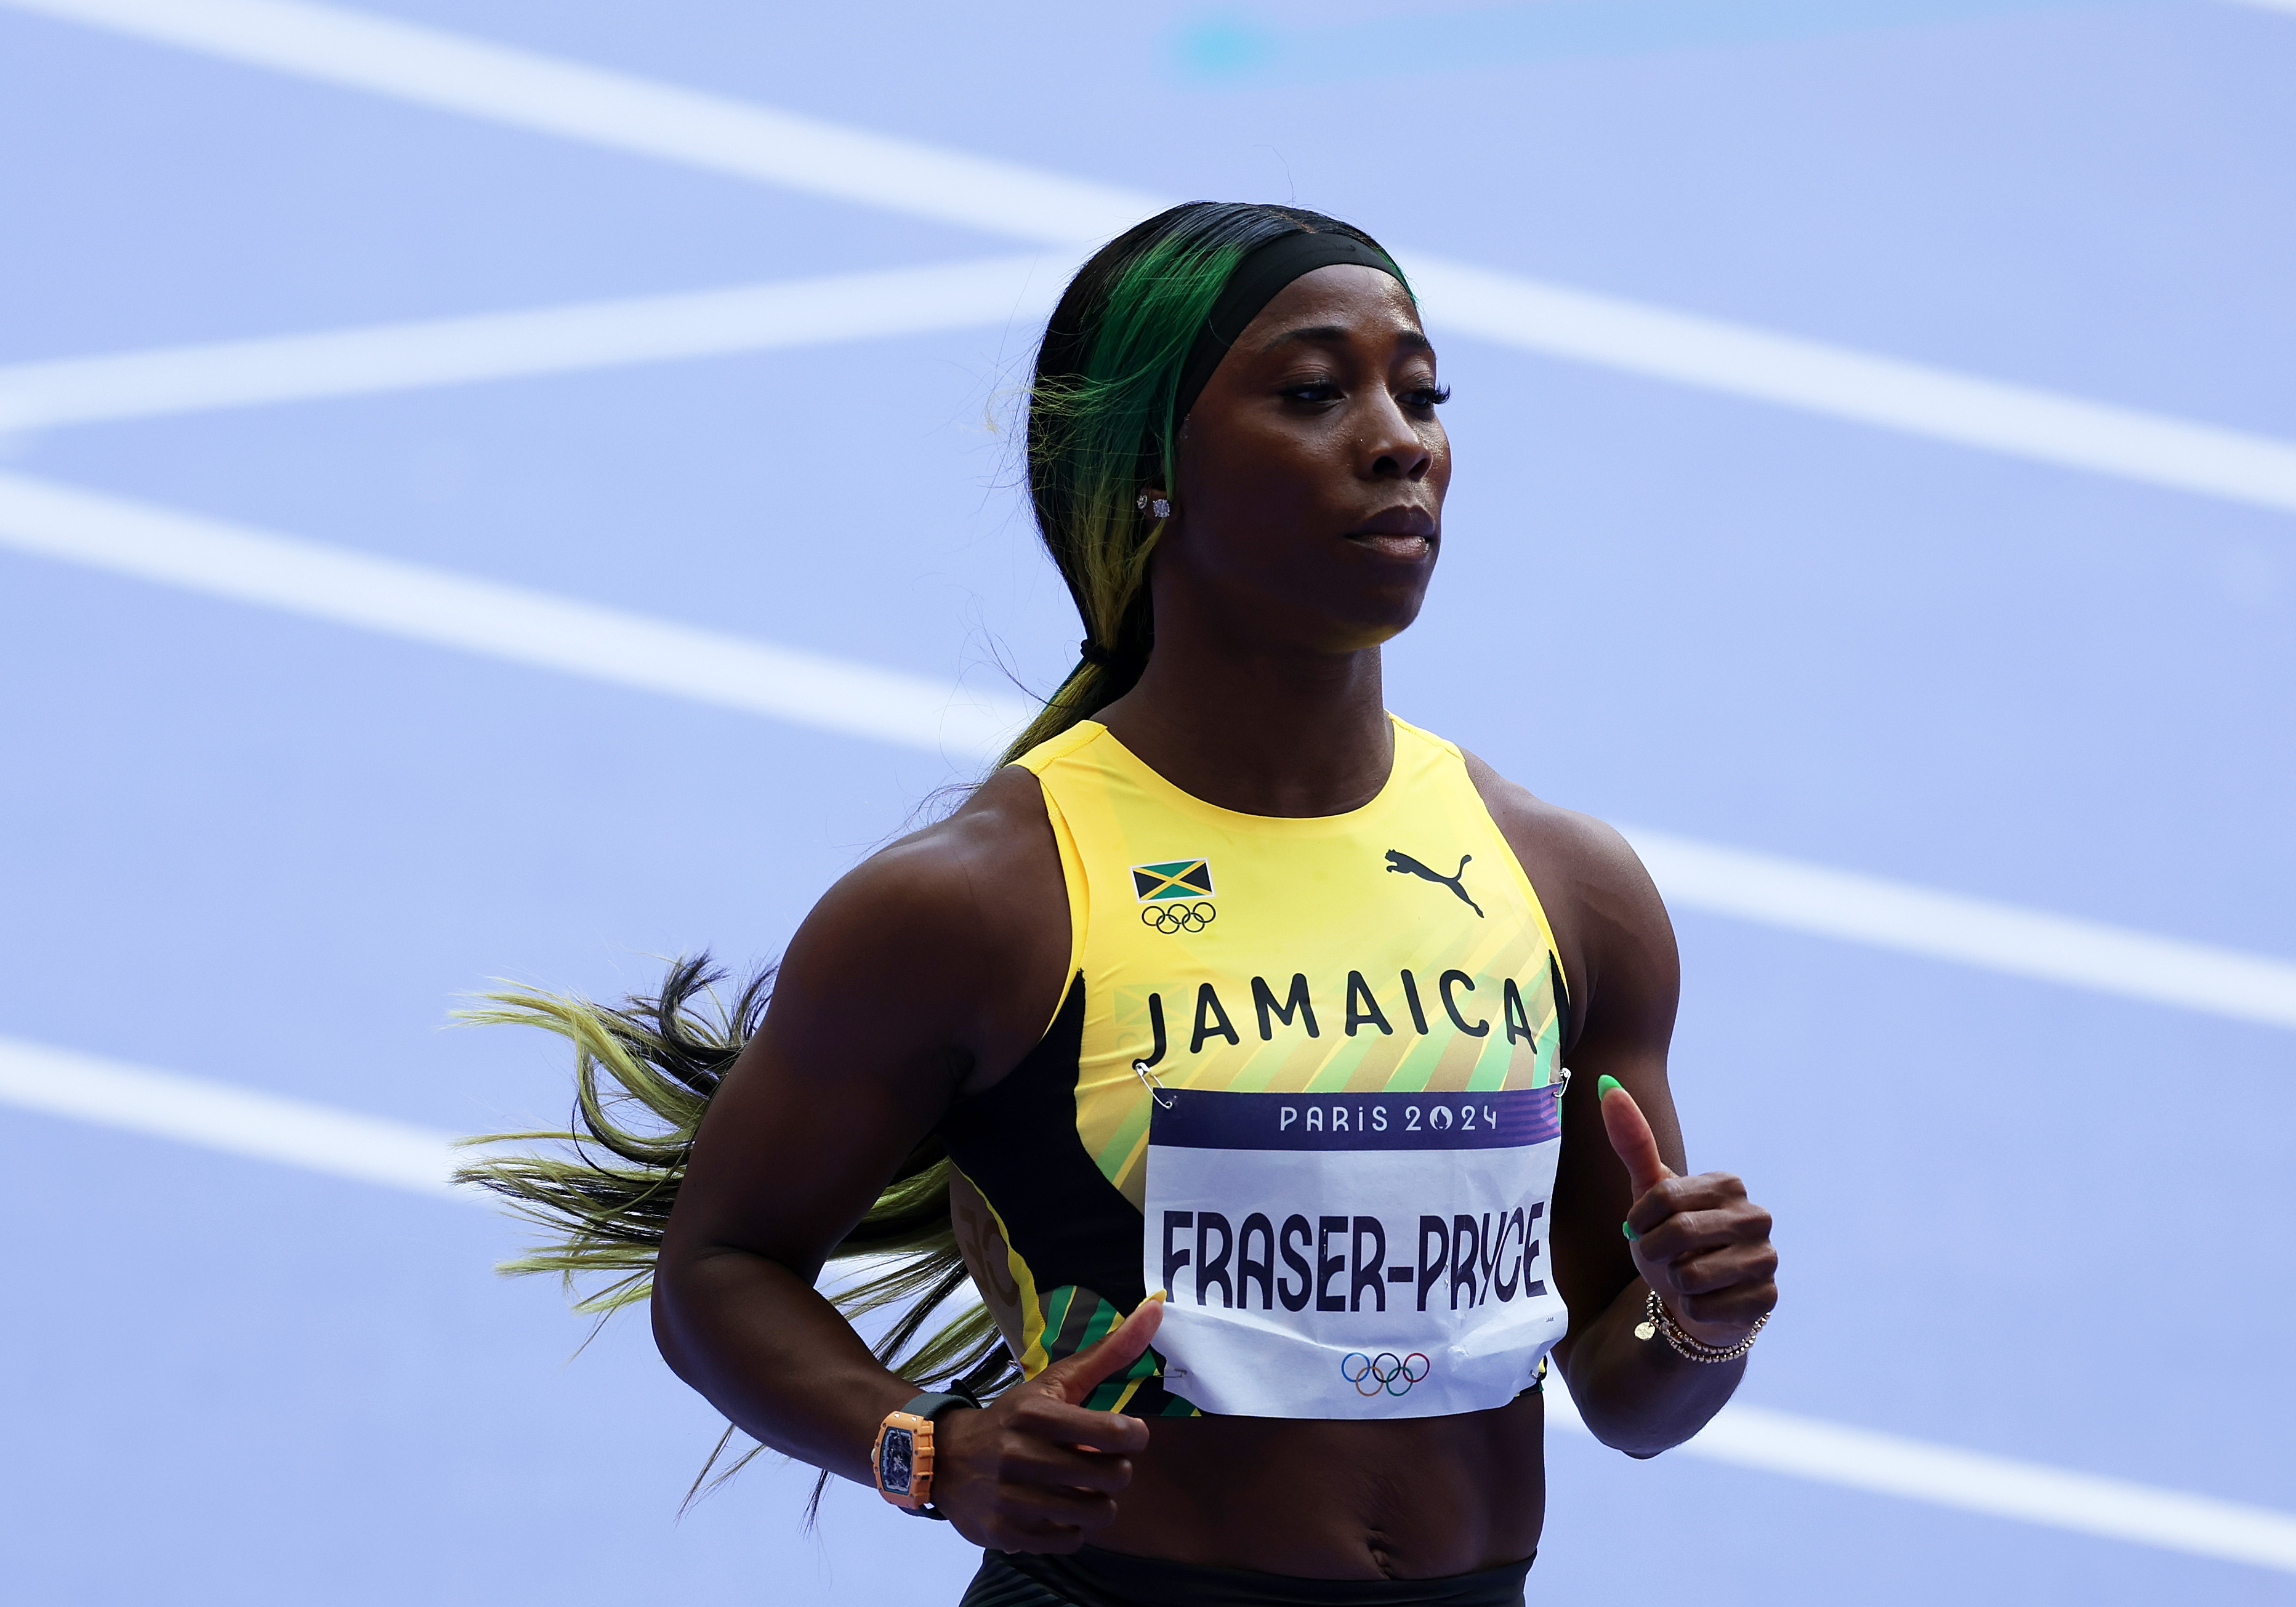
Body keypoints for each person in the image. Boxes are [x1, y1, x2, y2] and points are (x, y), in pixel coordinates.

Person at [462, 201, 1778, 1607]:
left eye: (1422, 389)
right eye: (1318, 392)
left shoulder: (1569, 886)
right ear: (1153, 469)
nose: (1401, 439)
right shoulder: (987, 898)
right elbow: (719, 1265)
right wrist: (927, 1447)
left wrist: (1697, 1319)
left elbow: (1632, 1398)